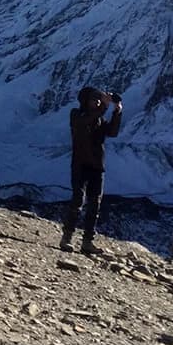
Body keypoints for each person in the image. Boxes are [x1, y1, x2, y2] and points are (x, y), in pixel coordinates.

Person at [60, 86, 122, 254]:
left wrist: (117, 112)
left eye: (99, 100)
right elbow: (85, 122)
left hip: (96, 166)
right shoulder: (76, 115)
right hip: (80, 164)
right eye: (95, 99)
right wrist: (105, 107)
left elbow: (113, 132)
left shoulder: (99, 120)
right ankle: (67, 238)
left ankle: (87, 242)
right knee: (77, 201)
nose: (98, 102)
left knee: (95, 205)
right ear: (85, 101)